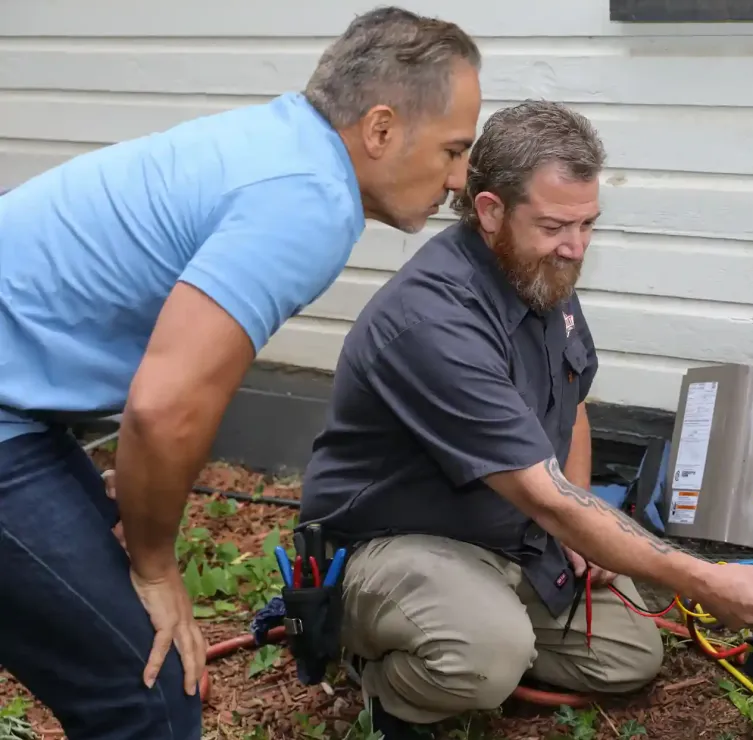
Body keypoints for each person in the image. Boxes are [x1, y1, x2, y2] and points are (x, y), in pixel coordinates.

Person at [0, 7, 482, 739]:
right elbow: (165, 409)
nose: (458, 178)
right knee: (149, 693)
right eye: (452, 149)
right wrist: (157, 566)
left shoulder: (278, 142)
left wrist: (138, 492)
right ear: (381, 129)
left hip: (20, 408)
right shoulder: (308, 202)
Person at [298, 100, 753, 738]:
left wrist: (578, 521)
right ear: (489, 211)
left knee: (627, 657)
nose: (576, 247)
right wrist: (704, 581)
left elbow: (572, 402)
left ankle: (476, 631)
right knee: (486, 655)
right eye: (557, 225)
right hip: (392, 543)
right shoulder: (436, 322)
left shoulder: (540, 279)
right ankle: (388, 683)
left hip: (507, 537)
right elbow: (544, 496)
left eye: (589, 224)